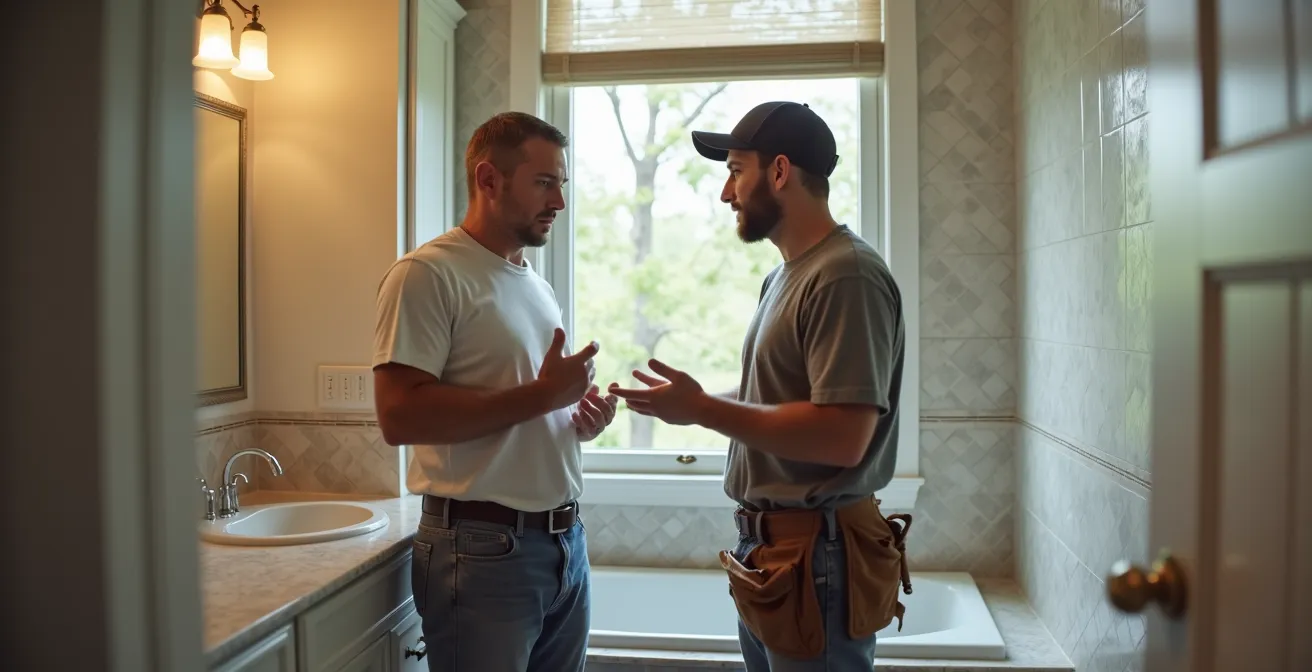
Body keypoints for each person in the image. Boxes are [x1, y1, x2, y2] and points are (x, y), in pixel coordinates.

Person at [608, 101, 912, 672]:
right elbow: (784, 403)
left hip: (816, 553)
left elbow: (843, 436)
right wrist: (694, 406)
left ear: (778, 172)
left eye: (734, 170)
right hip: (778, 554)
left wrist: (701, 408)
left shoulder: (845, 273)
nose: (726, 193)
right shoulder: (786, 275)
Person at [372, 111, 618, 672]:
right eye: (544, 182)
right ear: (488, 180)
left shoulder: (534, 284)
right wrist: (543, 398)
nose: (559, 201)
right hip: (481, 551)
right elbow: (400, 417)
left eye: (562, 183)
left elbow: (527, 399)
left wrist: (575, 416)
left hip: (563, 543)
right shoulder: (427, 275)